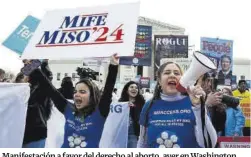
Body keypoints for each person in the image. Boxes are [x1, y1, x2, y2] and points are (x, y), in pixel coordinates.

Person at [26, 54, 118, 148]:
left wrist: (113, 65)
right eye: (75, 91)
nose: (76, 94)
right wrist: (31, 65)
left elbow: (108, 90)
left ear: (92, 96)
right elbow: (49, 87)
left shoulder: (99, 112)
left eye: (82, 92)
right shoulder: (68, 109)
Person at [137, 62, 217, 148]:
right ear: (159, 80)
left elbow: (209, 144)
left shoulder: (194, 103)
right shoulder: (149, 105)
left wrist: (198, 107)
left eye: (176, 73)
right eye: (167, 72)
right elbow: (142, 141)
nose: (172, 75)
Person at [22, 60, 54, 148]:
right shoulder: (25, 91)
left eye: (26, 75)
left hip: (35, 135)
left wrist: (39, 63)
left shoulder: (39, 91)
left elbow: (46, 79)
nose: (24, 77)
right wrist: (28, 64)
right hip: (24, 134)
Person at [118, 81, 145, 148]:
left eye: (136, 88)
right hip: (121, 134)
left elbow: (142, 117)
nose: (134, 89)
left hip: (134, 133)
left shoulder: (141, 102)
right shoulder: (121, 102)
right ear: (127, 90)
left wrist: (133, 108)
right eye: (131, 87)